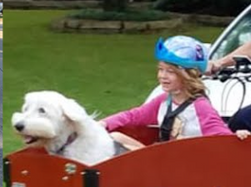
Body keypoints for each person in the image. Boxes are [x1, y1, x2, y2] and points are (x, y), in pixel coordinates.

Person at [99, 35, 249, 150]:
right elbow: (133, 116)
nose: (162, 76)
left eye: (170, 71)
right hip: (164, 159)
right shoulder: (165, 100)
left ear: (188, 75)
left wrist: (236, 136)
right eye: (160, 69)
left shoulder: (200, 107)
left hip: (183, 167)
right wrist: (103, 124)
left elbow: (220, 136)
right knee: (115, 137)